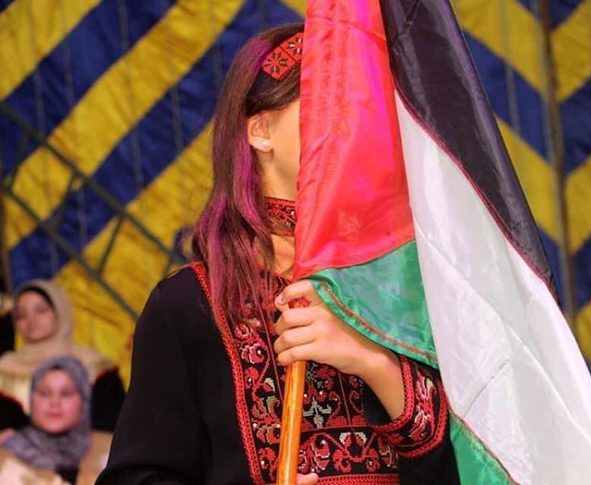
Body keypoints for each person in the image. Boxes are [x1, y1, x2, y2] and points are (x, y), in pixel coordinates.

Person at [98, 23, 458, 485]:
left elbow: (481, 460)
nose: (358, 126)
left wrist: (371, 360)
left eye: (365, 107)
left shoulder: (409, 286)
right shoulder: (189, 305)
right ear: (261, 130)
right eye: (331, 102)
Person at [0, 280, 125, 432]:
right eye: (21, 315)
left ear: (60, 310)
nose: (30, 320)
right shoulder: (5, 371)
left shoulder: (95, 366)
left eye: (41, 310)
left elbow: (115, 427)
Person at [0, 356, 92, 484]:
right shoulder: (6, 451)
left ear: (84, 401)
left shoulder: (104, 456)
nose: (54, 402)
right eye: (44, 393)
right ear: (31, 399)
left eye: (66, 393)